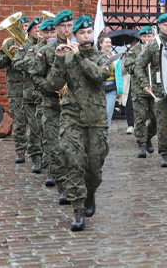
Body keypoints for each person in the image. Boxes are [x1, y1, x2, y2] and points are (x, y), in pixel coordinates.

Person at [44, 15, 111, 231]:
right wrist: (58, 59)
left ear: (93, 34)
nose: (85, 36)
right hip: (71, 117)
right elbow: (52, 84)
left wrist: (79, 56)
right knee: (74, 162)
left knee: (94, 167)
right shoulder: (66, 56)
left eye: (89, 32)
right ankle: (78, 210)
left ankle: (90, 193)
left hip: (96, 119)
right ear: (74, 35)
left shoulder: (102, 56)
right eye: (81, 33)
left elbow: (99, 75)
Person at [31, 13, 72, 205]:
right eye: (62, 26)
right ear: (55, 28)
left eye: (70, 25)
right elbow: (35, 77)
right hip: (51, 105)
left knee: (72, 149)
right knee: (55, 147)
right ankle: (62, 187)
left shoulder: (77, 49)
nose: (66, 29)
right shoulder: (46, 51)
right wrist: (50, 87)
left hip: (74, 107)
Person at [135, 13, 167, 167]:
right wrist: (144, 82)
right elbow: (139, 65)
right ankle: (165, 153)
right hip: (159, 88)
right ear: (159, 26)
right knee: (162, 124)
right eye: (165, 25)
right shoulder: (153, 43)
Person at [11, 17, 45, 174]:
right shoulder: (24, 48)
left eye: (40, 27)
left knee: (47, 127)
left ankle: (49, 158)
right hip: (31, 95)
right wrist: (31, 61)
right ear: (29, 31)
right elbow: (16, 64)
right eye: (35, 28)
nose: (38, 30)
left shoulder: (48, 46)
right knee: (35, 128)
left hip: (46, 93)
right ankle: (36, 158)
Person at [0, 19, 28, 165]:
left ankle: (38, 153)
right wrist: (10, 54)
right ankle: (20, 151)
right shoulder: (9, 44)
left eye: (26, 26)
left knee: (37, 123)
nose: (24, 29)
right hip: (16, 90)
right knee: (19, 123)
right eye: (22, 26)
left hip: (33, 88)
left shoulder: (34, 43)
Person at [126, 26, 157, 157]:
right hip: (139, 89)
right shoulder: (133, 50)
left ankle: (148, 137)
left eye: (149, 37)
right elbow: (129, 67)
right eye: (144, 37)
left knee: (156, 118)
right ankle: (142, 144)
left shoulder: (156, 49)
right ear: (140, 37)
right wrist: (142, 63)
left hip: (154, 88)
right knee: (140, 119)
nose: (147, 39)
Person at [98, 35, 123, 131]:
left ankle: (105, 137)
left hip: (112, 87)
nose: (109, 44)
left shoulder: (114, 57)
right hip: (99, 87)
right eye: (106, 42)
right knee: (99, 114)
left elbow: (119, 73)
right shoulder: (96, 56)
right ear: (101, 44)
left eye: (110, 42)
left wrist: (120, 90)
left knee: (108, 113)